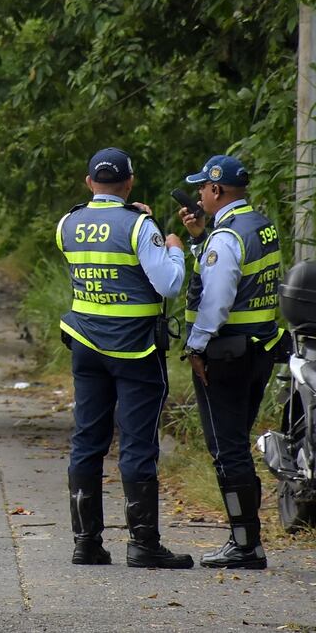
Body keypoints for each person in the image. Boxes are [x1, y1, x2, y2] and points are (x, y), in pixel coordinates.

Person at [57, 148, 192, 569]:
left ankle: (86, 543)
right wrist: (171, 246)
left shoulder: (68, 224)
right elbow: (169, 284)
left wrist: (139, 225)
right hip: (136, 349)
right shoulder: (140, 226)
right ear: (129, 183)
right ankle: (144, 545)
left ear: (88, 183)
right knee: (137, 444)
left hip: (86, 344)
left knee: (87, 441)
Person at [177, 155, 287, 570]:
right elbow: (236, 276)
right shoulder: (259, 224)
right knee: (236, 442)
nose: (200, 193)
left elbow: (217, 297)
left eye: (203, 187)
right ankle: (246, 540)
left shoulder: (226, 237)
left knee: (228, 449)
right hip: (259, 349)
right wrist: (197, 239)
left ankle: (245, 545)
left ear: (217, 190)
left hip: (226, 354)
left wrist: (197, 347)